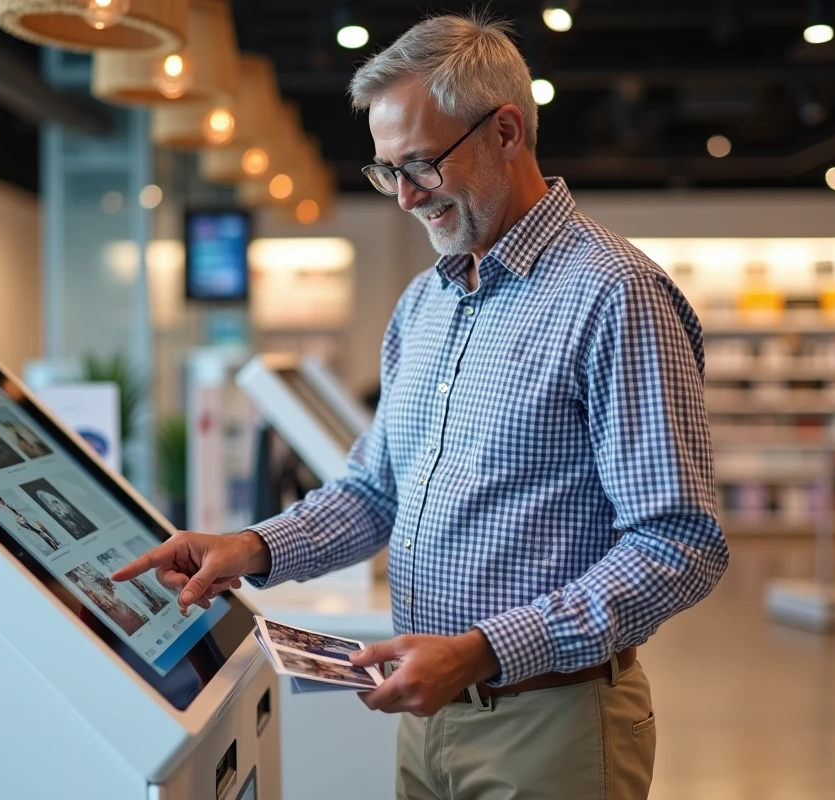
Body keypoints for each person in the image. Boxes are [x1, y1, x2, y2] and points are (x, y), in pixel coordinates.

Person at [114, 12, 727, 799]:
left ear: (506, 131)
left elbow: (680, 544)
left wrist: (484, 650)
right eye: (385, 171)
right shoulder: (426, 303)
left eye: (421, 166)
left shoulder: (615, 296)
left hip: (551, 724)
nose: (403, 199)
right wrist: (251, 548)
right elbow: (377, 490)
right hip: (425, 718)